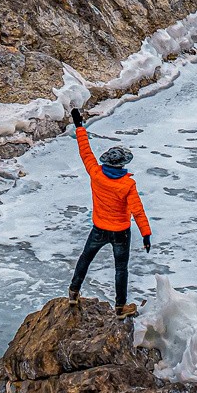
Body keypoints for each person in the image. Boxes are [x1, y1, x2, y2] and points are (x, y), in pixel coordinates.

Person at [66, 106, 151, 316]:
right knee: (121, 269)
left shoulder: (96, 174)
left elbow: (85, 151)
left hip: (98, 228)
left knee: (85, 258)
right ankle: (120, 308)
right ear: (122, 164)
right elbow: (137, 211)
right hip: (121, 232)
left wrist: (79, 126)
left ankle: (73, 293)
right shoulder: (127, 185)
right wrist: (146, 234)